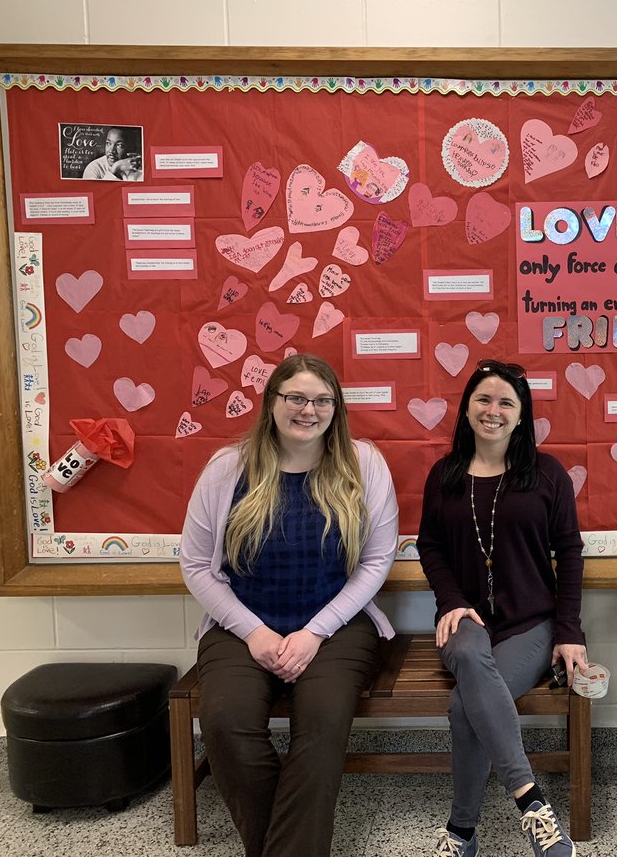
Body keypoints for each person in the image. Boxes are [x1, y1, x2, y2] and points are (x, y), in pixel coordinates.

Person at [180, 353, 398, 857]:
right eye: (296, 397)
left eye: (323, 400)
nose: (309, 409)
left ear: (336, 408)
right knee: (226, 724)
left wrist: (315, 632)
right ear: (271, 402)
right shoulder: (227, 469)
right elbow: (196, 566)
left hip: (338, 627)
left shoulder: (362, 464)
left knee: (321, 729)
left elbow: (375, 562)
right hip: (241, 624)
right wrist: (254, 632)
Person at [418, 359, 586, 857]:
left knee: (461, 706)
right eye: (483, 400)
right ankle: (532, 803)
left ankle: (461, 833)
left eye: (506, 403)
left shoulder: (547, 475)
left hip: (533, 623)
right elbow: (430, 546)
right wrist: (450, 600)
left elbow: (570, 552)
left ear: (521, 415)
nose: (493, 411)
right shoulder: (444, 475)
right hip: (463, 618)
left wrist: (568, 631)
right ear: (467, 409)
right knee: (469, 657)